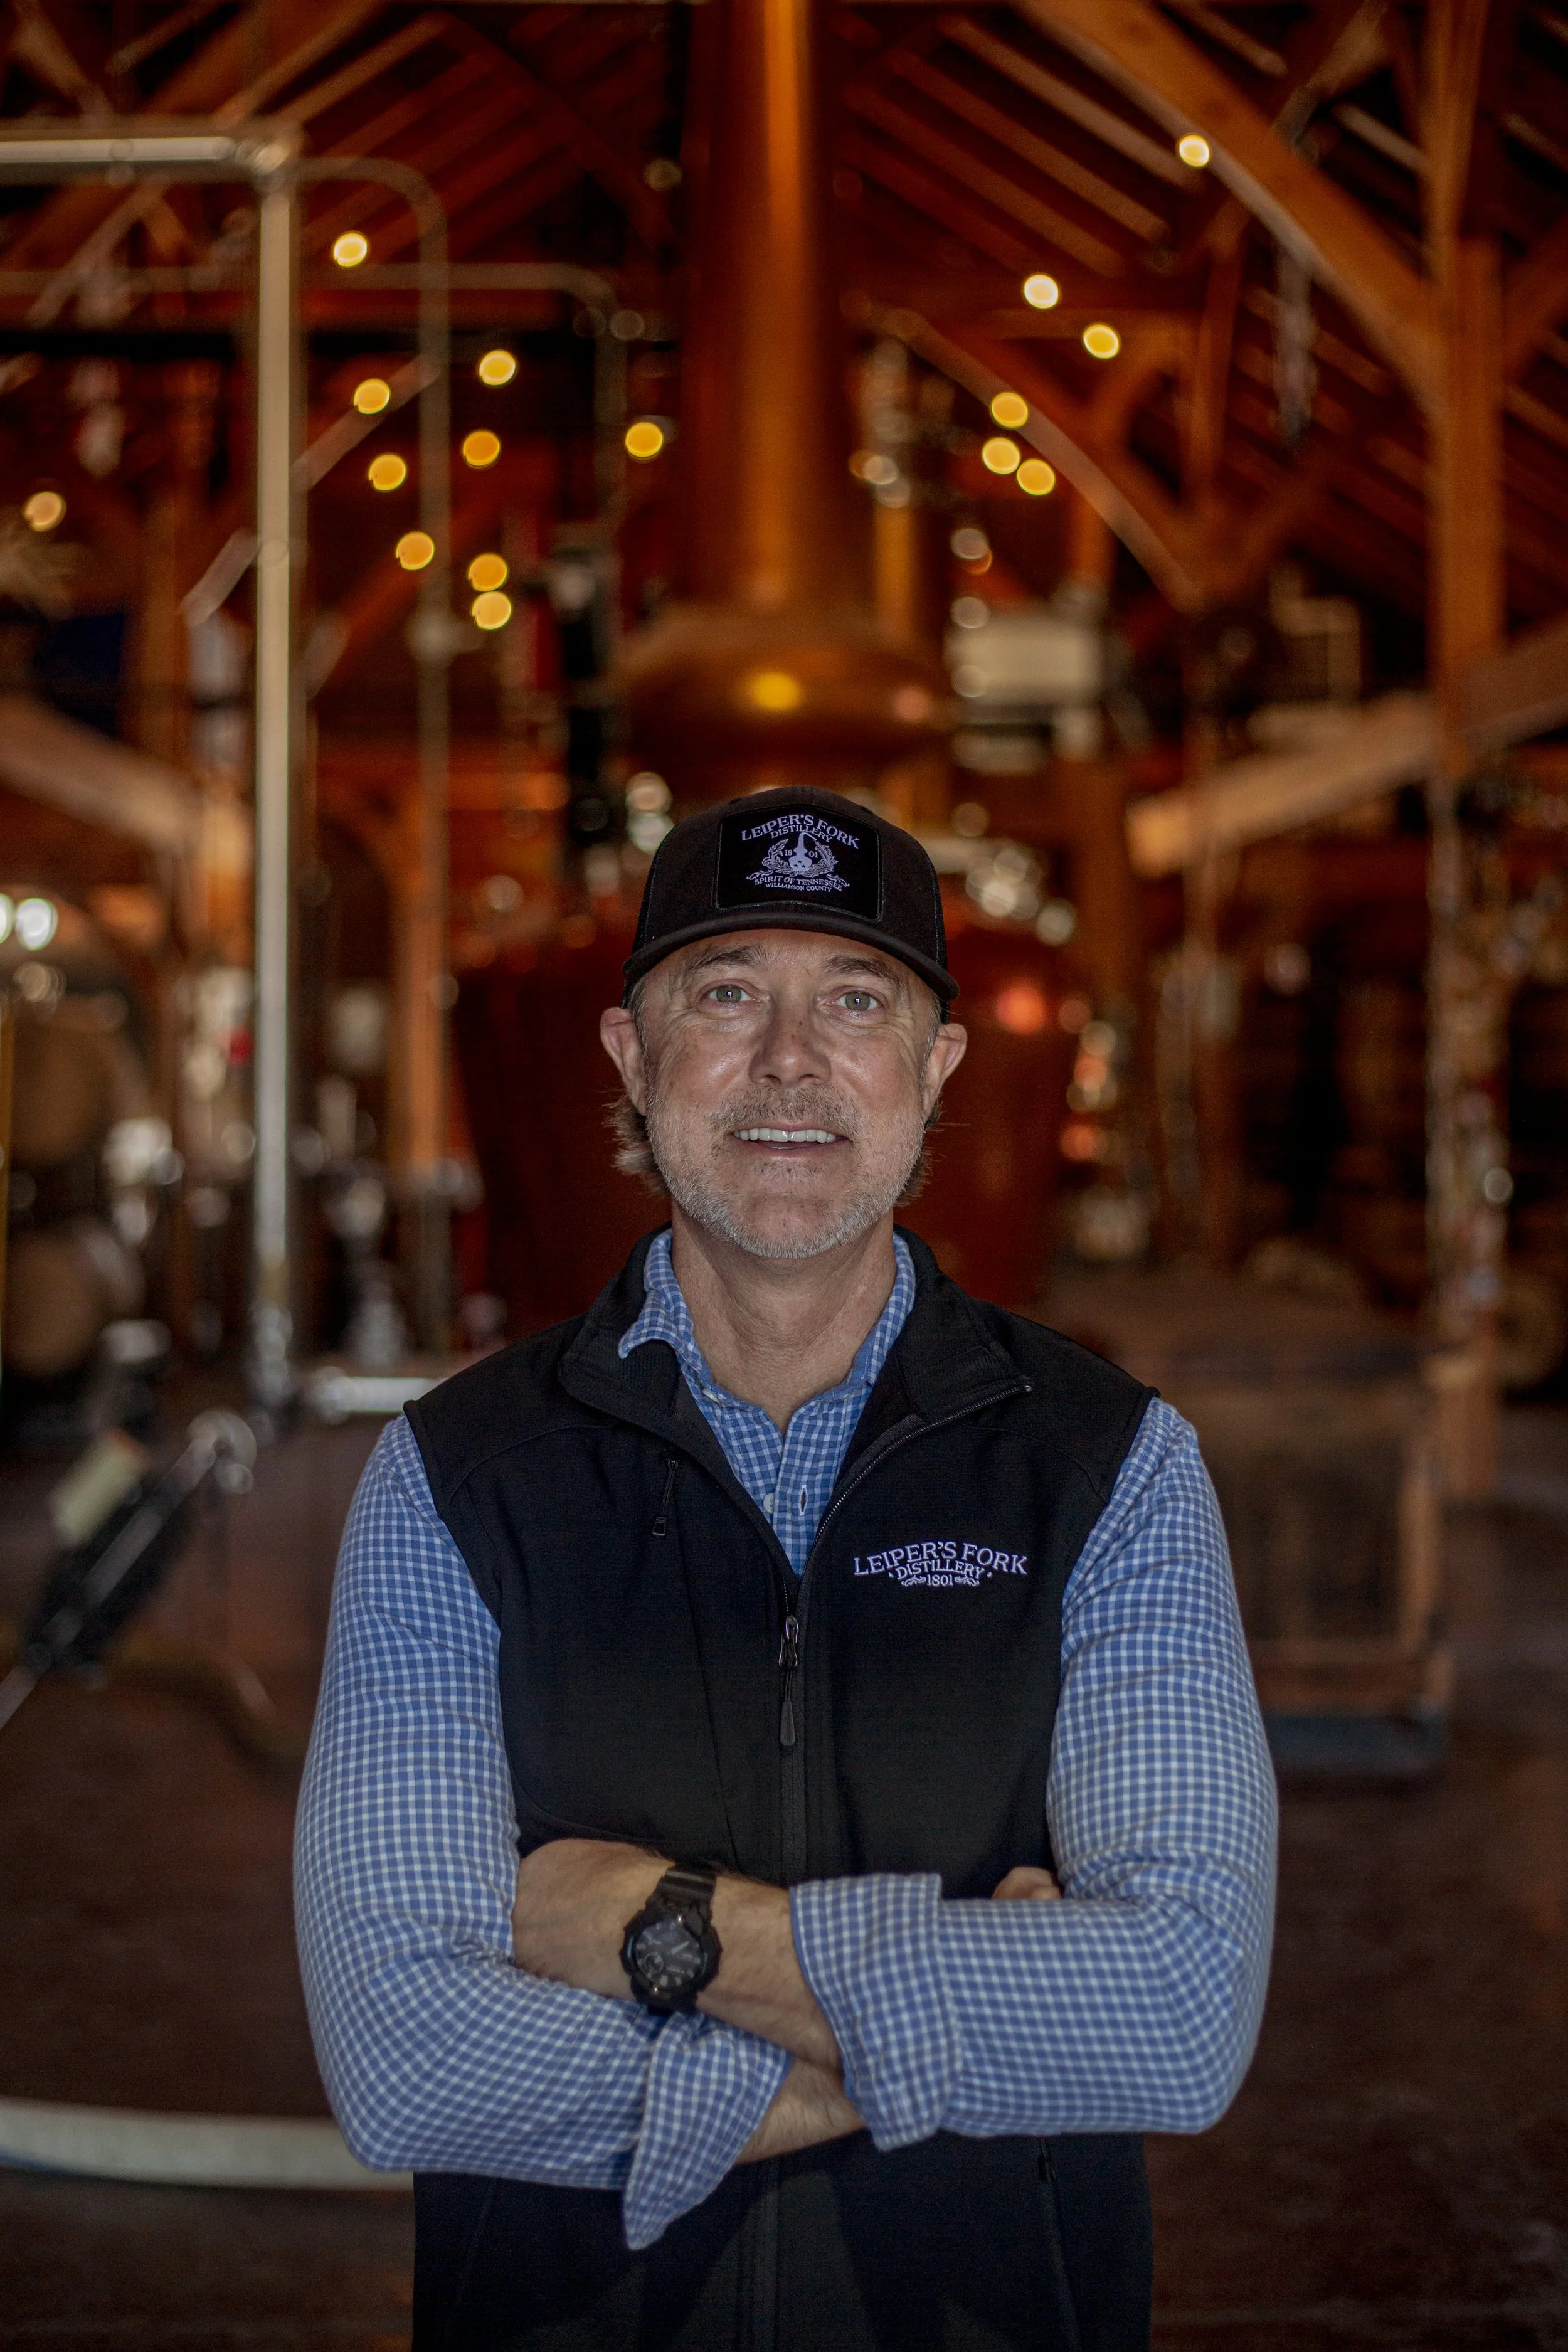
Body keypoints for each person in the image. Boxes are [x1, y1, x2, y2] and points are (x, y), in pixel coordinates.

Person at [295, 785, 1277, 2352]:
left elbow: (1174, 2015)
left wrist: (641, 1926)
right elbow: (405, 2055)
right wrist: (953, 2022)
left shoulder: (1109, 1469)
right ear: (631, 1056)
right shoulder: (456, 1479)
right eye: (727, 993)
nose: (790, 1062)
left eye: (856, 1000)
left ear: (935, 1067)